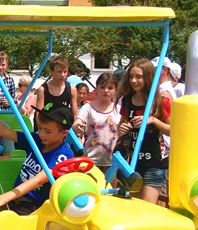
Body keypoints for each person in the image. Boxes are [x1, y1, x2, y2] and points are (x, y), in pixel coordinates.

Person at [0, 103, 74, 214]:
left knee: (6, 218)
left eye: (47, 131)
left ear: (64, 133)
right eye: (39, 128)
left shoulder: (63, 155)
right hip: (19, 197)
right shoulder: (36, 140)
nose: (41, 134)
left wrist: (3, 197)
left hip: (38, 205)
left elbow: (38, 180)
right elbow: (3, 131)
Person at [116, 59, 171, 204]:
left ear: (148, 77)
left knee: (146, 207)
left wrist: (153, 121)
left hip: (155, 162)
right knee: (133, 205)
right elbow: (121, 125)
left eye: (138, 77)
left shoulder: (160, 101)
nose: (133, 81)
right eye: (131, 77)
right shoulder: (127, 100)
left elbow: (172, 131)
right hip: (133, 162)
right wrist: (122, 128)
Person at [73, 73, 120, 175]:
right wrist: (77, 125)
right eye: (102, 87)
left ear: (115, 90)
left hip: (112, 163)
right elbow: (78, 121)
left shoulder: (119, 110)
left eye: (110, 88)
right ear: (97, 88)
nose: (106, 91)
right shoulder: (88, 108)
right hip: (91, 161)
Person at [36, 56, 78, 123]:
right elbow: (39, 114)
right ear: (51, 72)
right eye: (59, 72)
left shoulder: (71, 89)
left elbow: (75, 114)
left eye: (65, 71)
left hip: (63, 125)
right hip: (46, 124)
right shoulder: (43, 90)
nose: (63, 75)